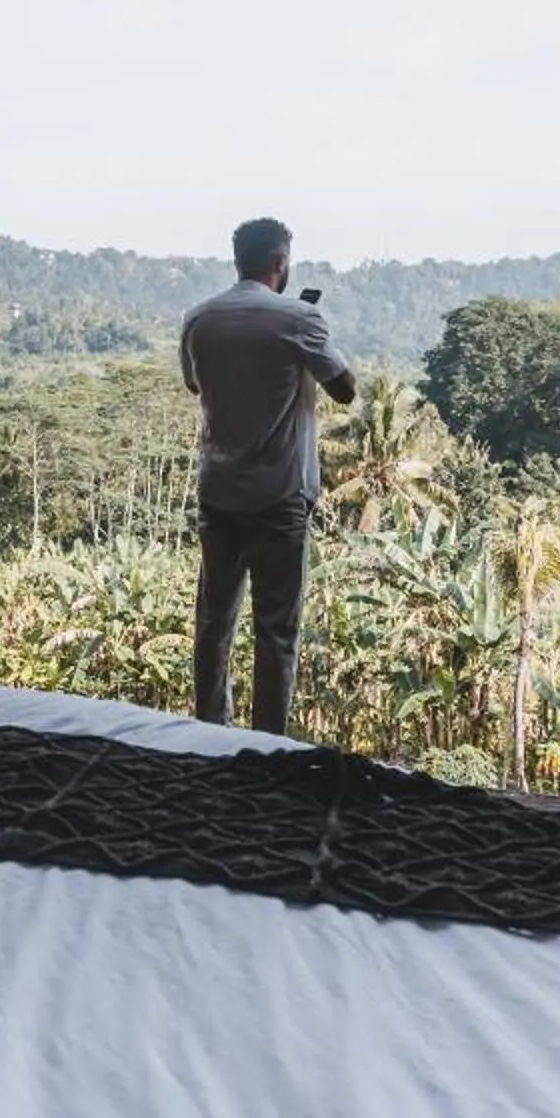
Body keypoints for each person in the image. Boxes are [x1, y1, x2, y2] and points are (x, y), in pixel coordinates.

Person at [180, 217, 357, 735]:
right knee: (276, 630)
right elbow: (345, 389)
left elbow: (196, 386)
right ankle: (267, 745)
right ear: (281, 262)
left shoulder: (199, 318)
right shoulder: (298, 318)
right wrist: (304, 349)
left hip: (218, 491)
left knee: (214, 622)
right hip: (280, 496)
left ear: (238, 259)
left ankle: (209, 731)